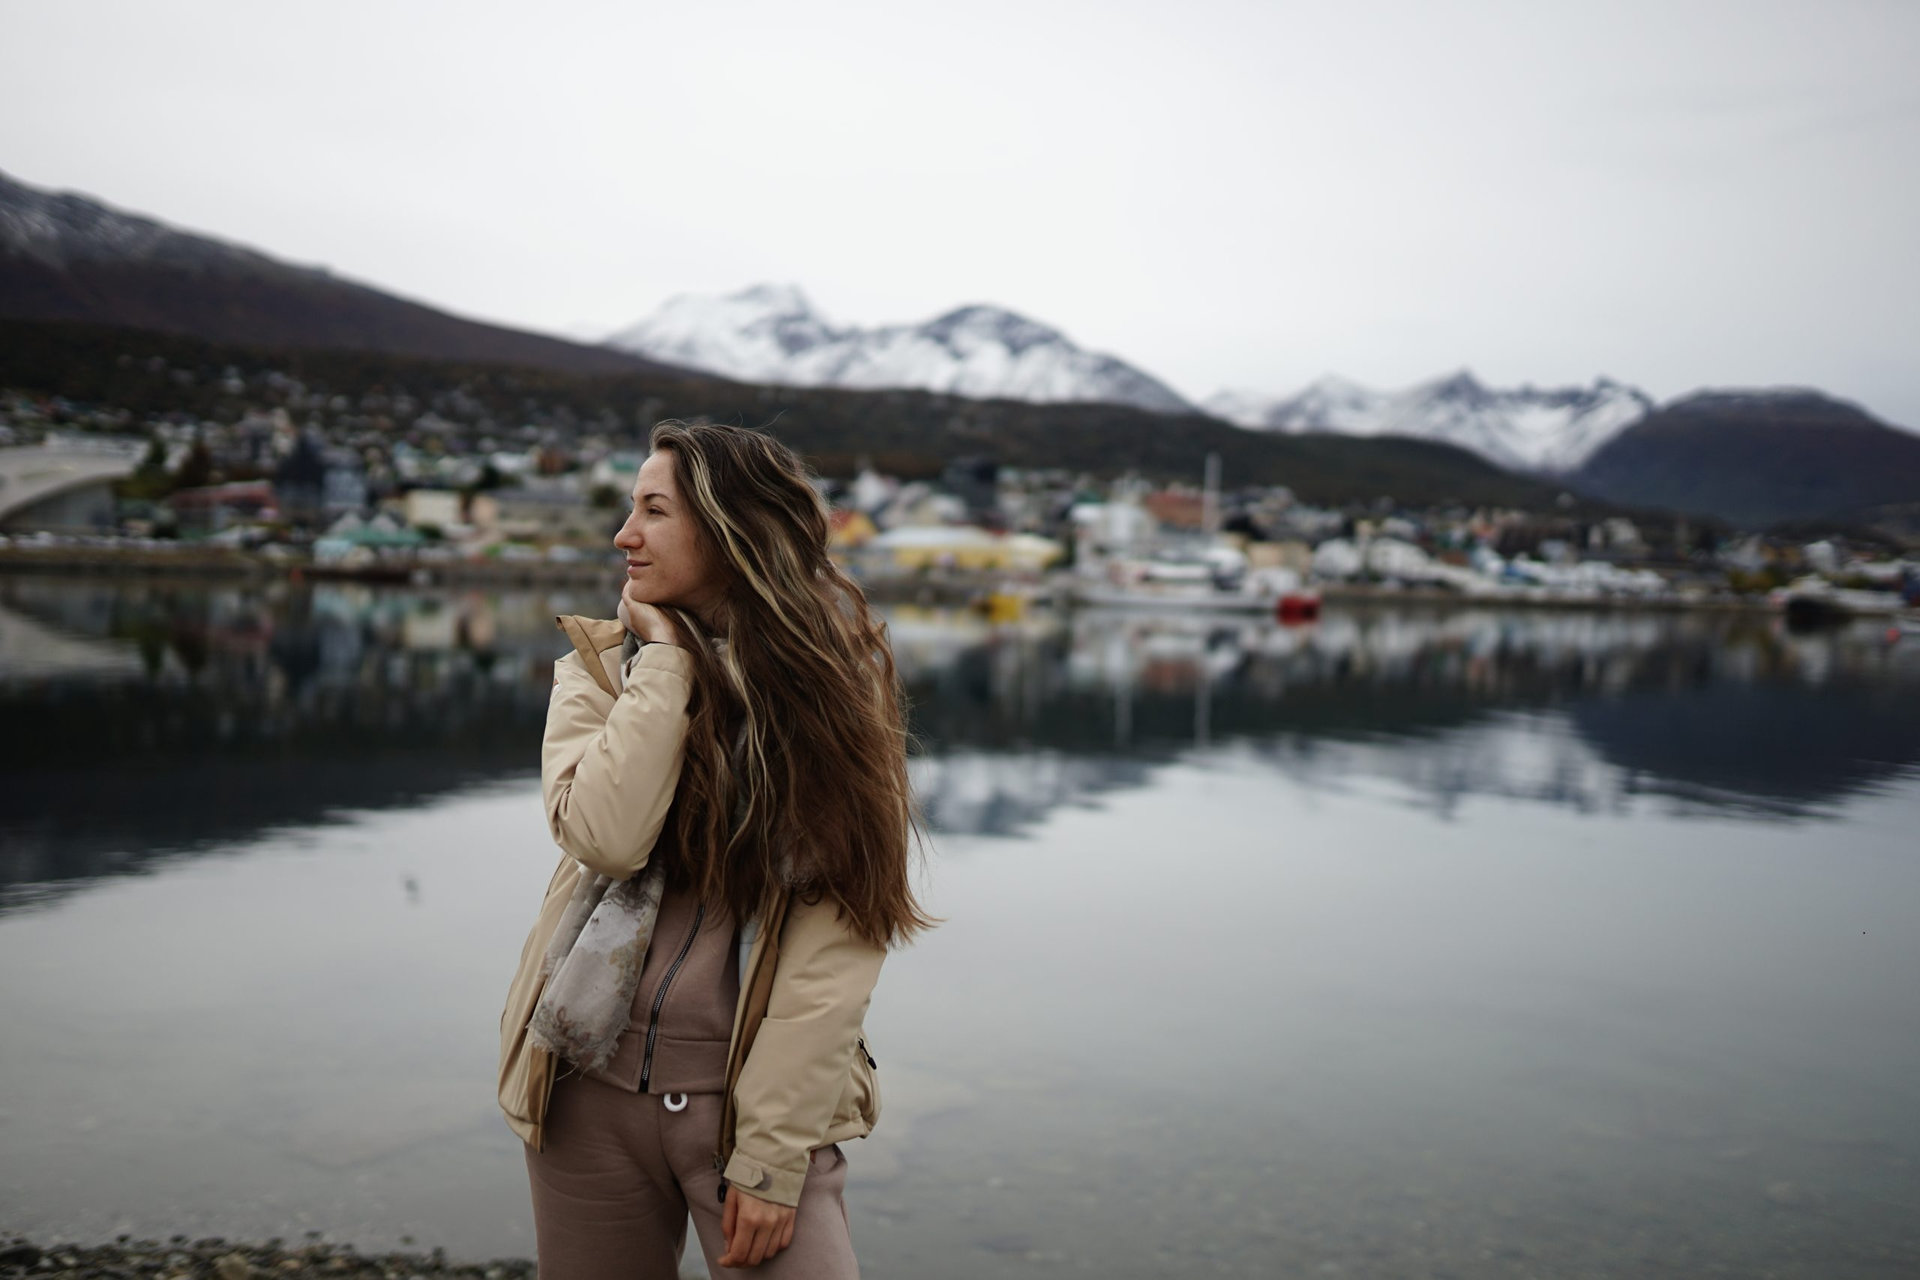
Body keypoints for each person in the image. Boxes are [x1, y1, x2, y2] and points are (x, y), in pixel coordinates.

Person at [498, 421, 932, 1277]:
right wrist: (663, 667)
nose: (625, 535)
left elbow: (832, 959)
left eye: (653, 511)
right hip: (584, 1090)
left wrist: (770, 1162)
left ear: (732, 532)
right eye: (630, 510)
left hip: (748, 1111)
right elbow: (607, 839)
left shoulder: (838, 707)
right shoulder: (598, 669)